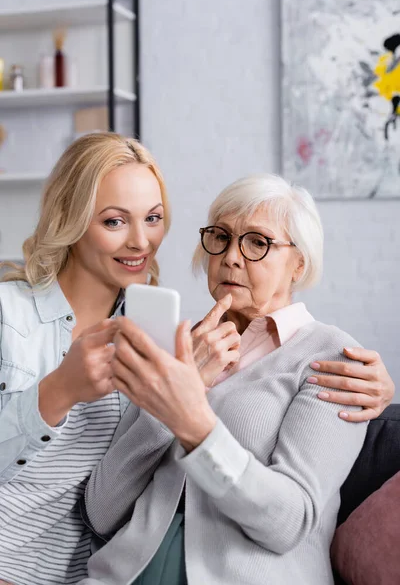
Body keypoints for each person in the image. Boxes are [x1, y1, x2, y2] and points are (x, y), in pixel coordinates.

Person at [0, 140, 393, 585]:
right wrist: (169, 399)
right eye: (221, 237)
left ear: (298, 264)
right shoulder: (173, 343)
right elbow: (102, 511)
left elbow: (288, 523)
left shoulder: (330, 357)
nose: (230, 256)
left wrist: (189, 415)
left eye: (258, 243)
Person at [0, 132, 171, 585]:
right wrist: (57, 392)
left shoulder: (156, 339)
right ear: (71, 219)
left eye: (152, 218)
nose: (141, 242)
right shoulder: (6, 313)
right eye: (115, 221)